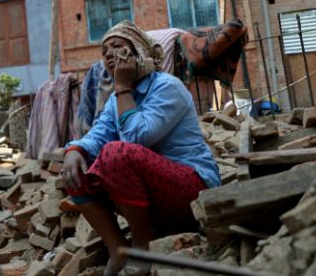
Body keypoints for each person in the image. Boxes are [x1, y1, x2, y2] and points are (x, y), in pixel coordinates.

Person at [62, 20, 220, 275]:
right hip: (154, 195)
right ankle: (118, 249)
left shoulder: (167, 86)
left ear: (137, 51)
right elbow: (98, 134)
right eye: (104, 52)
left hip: (193, 188)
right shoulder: (118, 100)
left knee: (116, 153)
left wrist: (123, 87)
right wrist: (74, 150)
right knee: (75, 169)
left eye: (117, 47)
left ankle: (142, 244)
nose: (109, 55)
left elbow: (137, 138)